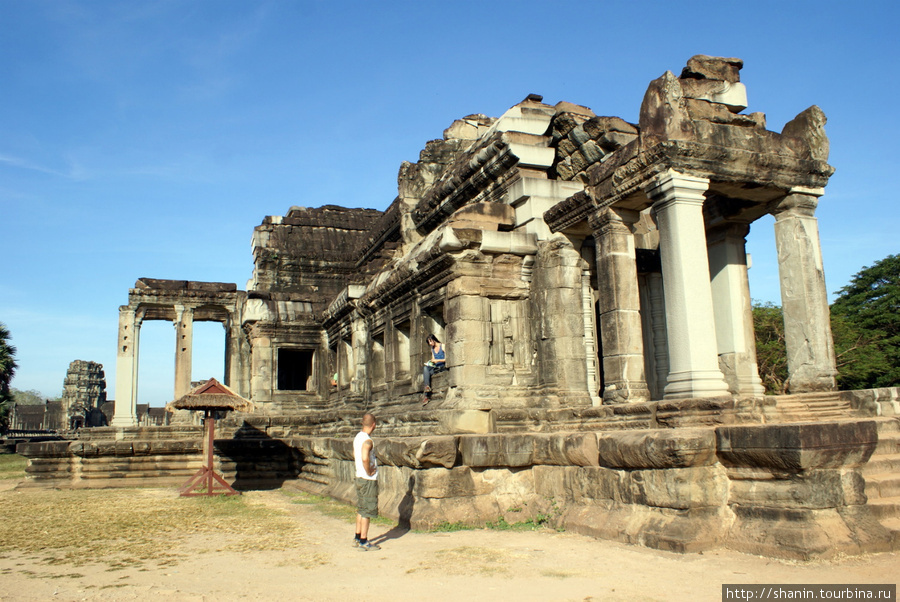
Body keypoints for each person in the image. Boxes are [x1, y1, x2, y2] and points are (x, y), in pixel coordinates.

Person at [353, 412, 380, 551]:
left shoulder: (358, 437)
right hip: (367, 479)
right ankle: (364, 540)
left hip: (359, 477)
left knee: (361, 508)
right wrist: (368, 470)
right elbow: (365, 457)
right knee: (367, 511)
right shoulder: (368, 440)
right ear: (373, 425)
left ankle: (357, 537)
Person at [422, 334, 446, 406]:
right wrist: (431, 362)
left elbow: (447, 359)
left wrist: (437, 360)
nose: (430, 344)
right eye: (428, 343)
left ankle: (426, 395)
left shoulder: (443, 346)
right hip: (435, 367)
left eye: (430, 341)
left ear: (433, 339)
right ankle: (427, 387)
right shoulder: (432, 349)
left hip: (442, 366)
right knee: (425, 368)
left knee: (428, 370)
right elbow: (433, 359)